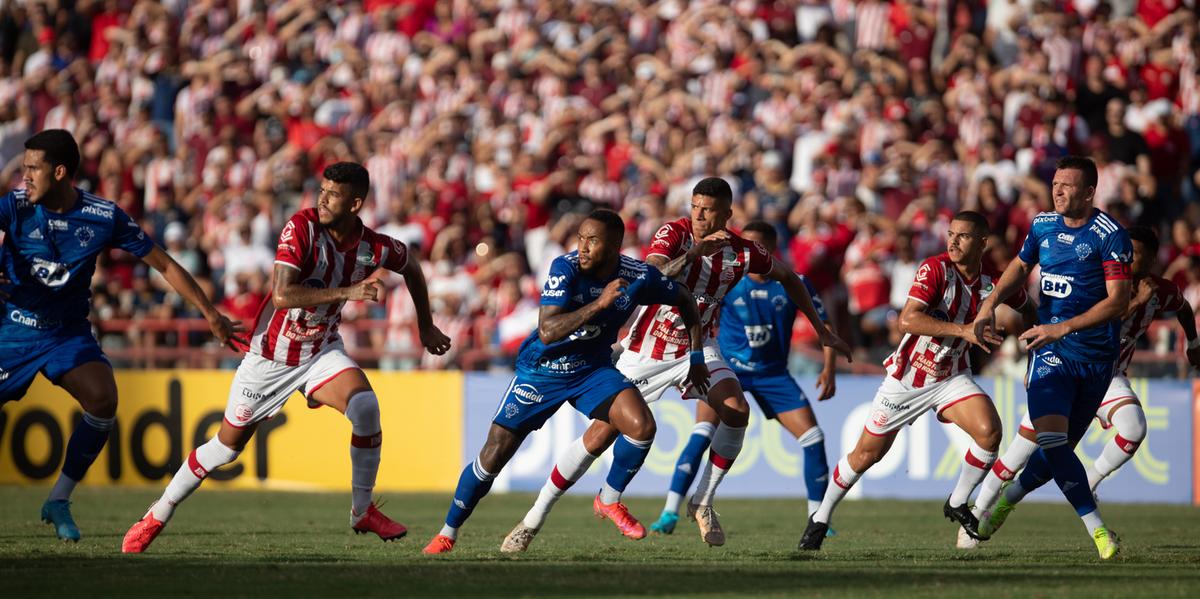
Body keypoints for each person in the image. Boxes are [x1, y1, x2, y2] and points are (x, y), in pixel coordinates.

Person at [501, 178, 851, 552]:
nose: (698, 215)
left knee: (736, 410)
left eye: (708, 210)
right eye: (695, 206)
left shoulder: (744, 252)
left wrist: (821, 330)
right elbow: (654, 276)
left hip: (700, 349)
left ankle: (702, 499)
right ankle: (532, 520)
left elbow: (789, 279)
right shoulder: (675, 232)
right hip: (645, 350)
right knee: (599, 437)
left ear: (726, 214)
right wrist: (697, 252)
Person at [121, 162, 451, 553]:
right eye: (321, 190)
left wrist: (425, 325)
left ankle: (362, 510)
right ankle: (157, 514)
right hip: (270, 357)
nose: (322, 199)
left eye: (333, 194)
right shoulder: (302, 227)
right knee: (225, 449)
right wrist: (348, 293)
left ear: (356, 203)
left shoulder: (371, 247)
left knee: (365, 406)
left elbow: (410, 263)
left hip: (320, 352)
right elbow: (282, 295)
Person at [0, 129, 243, 542]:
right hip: (13, 329)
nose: (25, 177)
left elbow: (163, 266)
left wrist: (210, 314)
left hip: (66, 334)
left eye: (32, 169)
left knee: (103, 399)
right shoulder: (15, 206)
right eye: (24, 168)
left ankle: (58, 499)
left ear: (60, 172)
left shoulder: (102, 216)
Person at [421, 209, 707, 555]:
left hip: (591, 370)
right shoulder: (564, 268)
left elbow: (686, 300)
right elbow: (548, 330)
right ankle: (447, 532)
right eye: (581, 239)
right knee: (494, 454)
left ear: (615, 245)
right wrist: (601, 303)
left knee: (642, 426)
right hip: (542, 370)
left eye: (593, 240)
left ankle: (609, 499)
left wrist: (695, 357)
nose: (583, 247)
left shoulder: (637, 275)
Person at [799, 210, 1035, 550]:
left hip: (951, 377)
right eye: (951, 233)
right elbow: (907, 321)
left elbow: (1028, 308)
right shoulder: (935, 269)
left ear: (982, 243)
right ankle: (820, 517)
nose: (953, 240)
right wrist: (964, 331)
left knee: (990, 432)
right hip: (907, 379)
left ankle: (957, 501)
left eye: (963, 235)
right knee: (866, 455)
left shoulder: (992, 283)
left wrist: (1037, 343)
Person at [961, 225, 1197, 549]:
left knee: (1134, 427)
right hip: (1063, 368)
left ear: (1152, 259)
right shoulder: (1100, 282)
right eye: (1124, 252)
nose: (1125, 259)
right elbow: (1104, 315)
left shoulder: (1159, 290)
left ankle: (1086, 485)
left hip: (1109, 377)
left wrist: (1194, 343)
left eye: (1135, 255)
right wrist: (1134, 301)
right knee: (1021, 452)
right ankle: (977, 517)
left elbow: (1183, 307)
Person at [970, 156, 1133, 560]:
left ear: (1090, 192)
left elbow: (1119, 302)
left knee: (1053, 455)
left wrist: (1064, 326)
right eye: (1055, 183)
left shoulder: (1110, 236)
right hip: (1049, 353)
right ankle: (1100, 533)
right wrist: (991, 302)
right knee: (1053, 441)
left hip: (1096, 360)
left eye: (1067, 185)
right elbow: (1019, 266)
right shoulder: (1043, 226)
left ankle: (1006, 500)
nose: (1058, 191)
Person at [646, 220, 840, 535]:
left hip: (772, 373)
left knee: (813, 438)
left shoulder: (792, 282)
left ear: (770, 250)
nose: (741, 251)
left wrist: (829, 367)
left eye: (752, 246)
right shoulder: (728, 278)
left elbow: (825, 324)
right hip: (728, 366)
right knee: (701, 432)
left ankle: (818, 518)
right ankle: (669, 511)